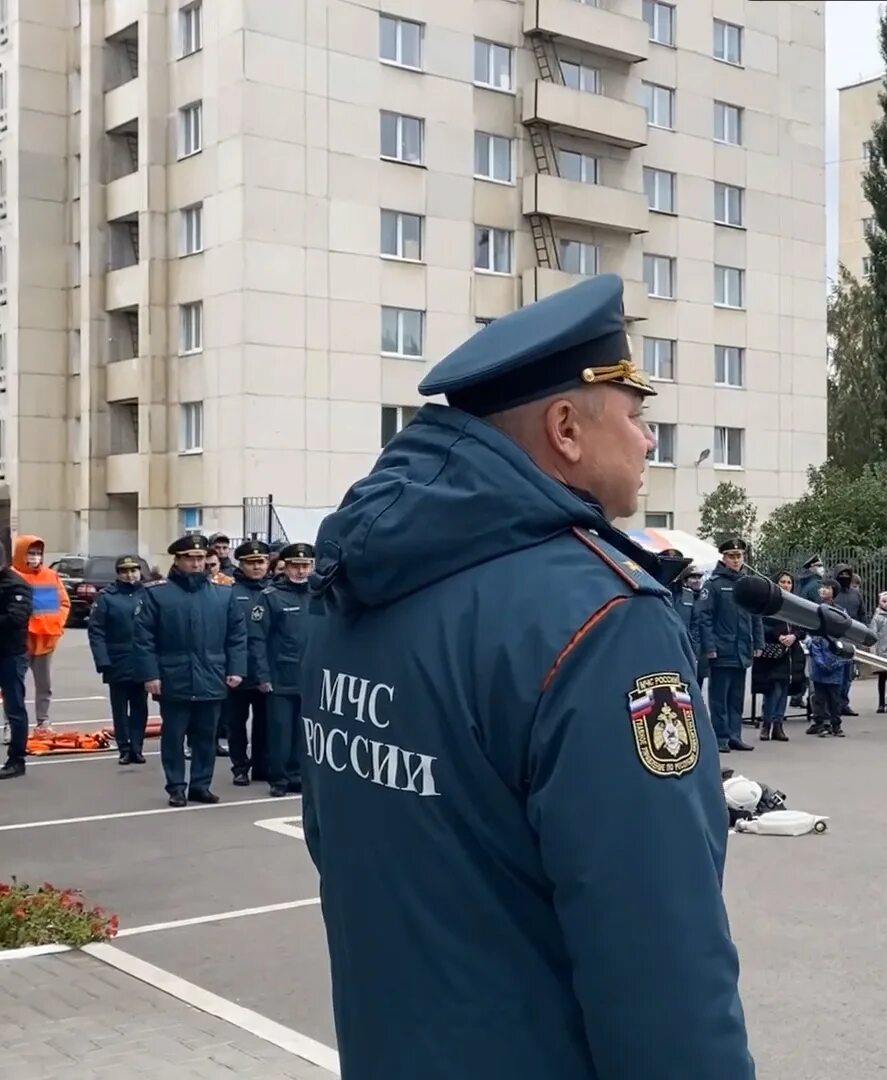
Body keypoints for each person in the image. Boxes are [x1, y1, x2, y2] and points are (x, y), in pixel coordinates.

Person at [299, 274, 752, 1076]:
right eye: (637, 415)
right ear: (566, 427)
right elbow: (657, 948)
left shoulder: (357, 581)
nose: (649, 441)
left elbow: (333, 840)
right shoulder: (606, 619)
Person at [133, 533, 248, 807]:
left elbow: (237, 636)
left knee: (206, 736)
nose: (196, 564)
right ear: (178, 560)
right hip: (175, 677)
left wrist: (236, 669)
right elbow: (144, 638)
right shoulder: (158, 595)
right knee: (173, 735)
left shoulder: (223, 594)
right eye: (190, 559)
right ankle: (176, 786)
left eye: (200, 558)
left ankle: (200, 785)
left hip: (212, 675)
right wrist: (150, 675)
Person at [249, 544, 316, 797]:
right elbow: (257, 639)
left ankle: (298, 775)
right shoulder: (271, 596)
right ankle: (279, 778)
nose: (301, 571)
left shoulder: (319, 594)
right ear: (285, 567)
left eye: (305, 566)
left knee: (303, 731)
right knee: (280, 731)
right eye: (296, 566)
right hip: (280, 676)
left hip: (310, 676)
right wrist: (262, 675)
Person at [694, 538, 761, 754]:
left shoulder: (748, 583)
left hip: (741, 649)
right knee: (719, 698)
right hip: (722, 649)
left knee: (737, 696)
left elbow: (755, 615)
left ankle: (735, 735)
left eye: (739, 556)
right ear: (723, 558)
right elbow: (704, 617)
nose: (735, 560)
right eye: (731, 556)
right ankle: (720, 737)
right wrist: (710, 647)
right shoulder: (713, 584)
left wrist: (757, 642)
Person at [88, 555, 152, 765]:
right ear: (118, 574)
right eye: (125, 571)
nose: (130, 574)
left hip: (142, 659)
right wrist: (102, 660)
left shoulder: (148, 594)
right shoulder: (107, 597)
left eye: (134, 570)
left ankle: (137, 747)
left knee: (140, 706)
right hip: (117, 660)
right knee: (120, 708)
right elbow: (97, 630)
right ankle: (124, 748)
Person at [222, 539, 276, 785]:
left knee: (265, 723)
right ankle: (240, 767)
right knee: (236, 724)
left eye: (261, 562)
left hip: (266, 671)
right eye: (251, 563)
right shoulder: (229, 592)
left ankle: (262, 766)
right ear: (240, 564)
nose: (257, 567)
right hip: (238, 670)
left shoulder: (275, 591)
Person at [12, 534, 70, 732]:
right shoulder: (11, 576)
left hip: (45, 641)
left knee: (44, 686)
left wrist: (54, 624)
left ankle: (43, 722)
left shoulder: (51, 576)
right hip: (17, 642)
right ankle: (12, 724)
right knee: (13, 686)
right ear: (21, 554)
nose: (35, 557)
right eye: (31, 553)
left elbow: (63, 604)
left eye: (38, 553)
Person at [751, 572, 803, 742]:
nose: (786, 585)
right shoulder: (768, 603)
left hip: (791, 654)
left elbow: (803, 625)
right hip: (772, 653)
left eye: (789, 582)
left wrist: (794, 635)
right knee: (772, 689)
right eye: (782, 581)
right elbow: (761, 625)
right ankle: (767, 724)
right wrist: (778, 635)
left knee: (784, 689)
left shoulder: (796, 604)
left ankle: (778, 724)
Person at [0, 534, 35, 781]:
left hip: (11, 654)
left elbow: (16, 618)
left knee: (14, 708)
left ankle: (16, 760)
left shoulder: (16, 585)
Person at [803, 597, 851, 739]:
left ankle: (836, 725)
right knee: (819, 700)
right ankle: (821, 724)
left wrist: (834, 665)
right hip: (819, 673)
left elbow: (844, 654)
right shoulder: (817, 635)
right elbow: (815, 651)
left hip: (835, 674)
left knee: (835, 701)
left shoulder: (841, 637)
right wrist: (823, 665)